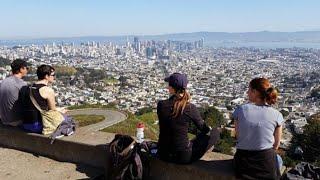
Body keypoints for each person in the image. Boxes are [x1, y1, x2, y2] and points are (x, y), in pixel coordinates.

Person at [157, 73, 219, 164]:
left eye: (169, 85)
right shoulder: (190, 107)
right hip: (182, 157)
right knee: (215, 132)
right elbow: (204, 129)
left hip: (163, 154)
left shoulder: (161, 105)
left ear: (171, 89)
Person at [233, 77, 284, 180]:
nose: (247, 92)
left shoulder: (240, 110)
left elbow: (238, 136)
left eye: (249, 90)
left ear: (255, 92)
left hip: (243, 164)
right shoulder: (277, 115)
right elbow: (276, 145)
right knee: (278, 159)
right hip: (266, 165)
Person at [21, 64, 67, 133]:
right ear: (46, 76)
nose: (54, 77)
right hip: (38, 125)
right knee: (67, 120)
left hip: (25, 124)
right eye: (53, 75)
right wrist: (60, 110)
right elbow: (52, 109)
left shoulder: (27, 88)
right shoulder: (47, 90)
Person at [0, 59, 28, 126]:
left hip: (3, 119)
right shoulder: (22, 84)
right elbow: (26, 103)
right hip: (16, 121)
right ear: (21, 69)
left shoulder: (3, 81)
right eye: (26, 68)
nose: (27, 70)